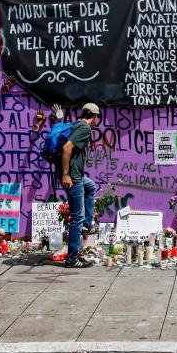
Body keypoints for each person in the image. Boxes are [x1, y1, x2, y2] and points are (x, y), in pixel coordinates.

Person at [59, 103, 101, 268]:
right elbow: (66, 147)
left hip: (77, 176)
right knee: (77, 217)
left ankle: (86, 224)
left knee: (91, 187)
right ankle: (71, 259)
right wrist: (65, 174)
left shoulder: (77, 124)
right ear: (95, 116)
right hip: (73, 177)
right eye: (97, 117)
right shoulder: (85, 128)